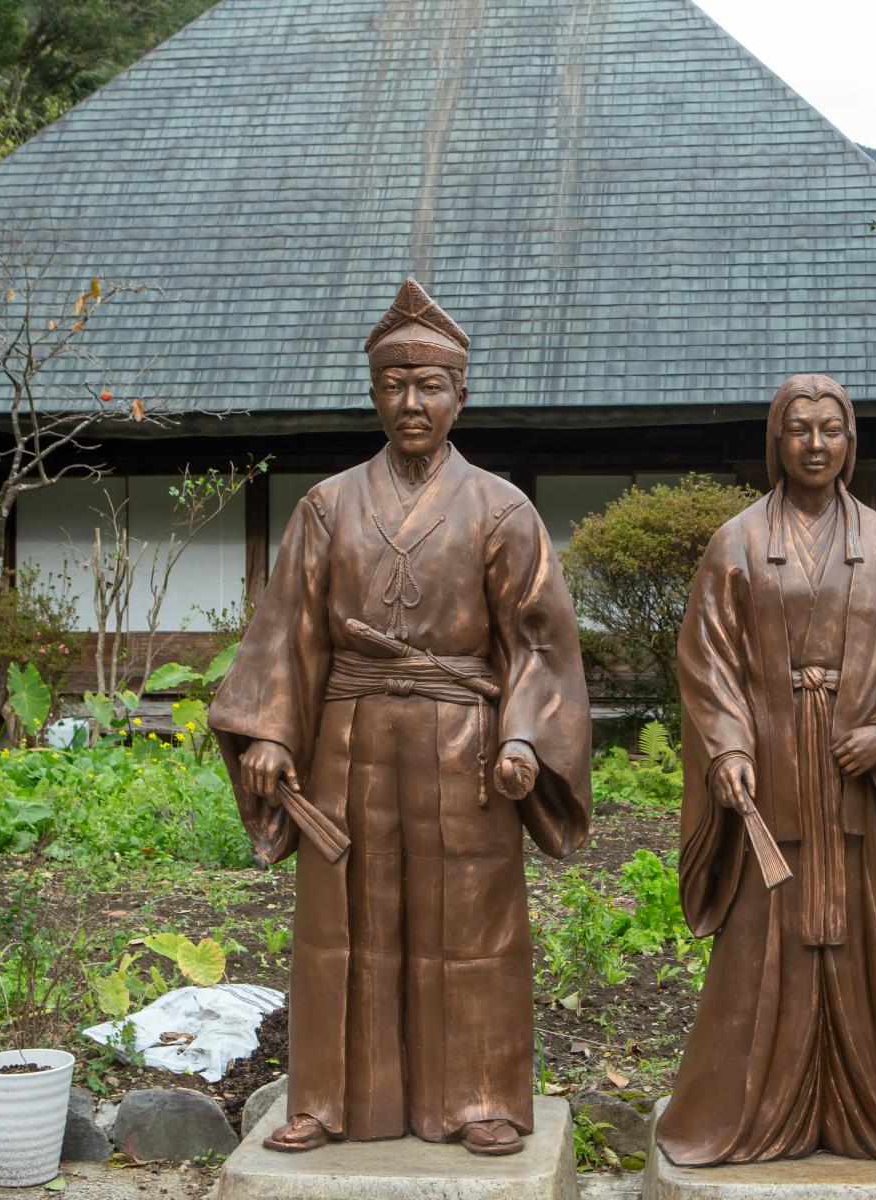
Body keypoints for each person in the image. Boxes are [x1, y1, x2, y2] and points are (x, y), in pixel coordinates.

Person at [209, 279, 591, 1157]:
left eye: (429, 385)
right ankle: (331, 1098)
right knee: (342, 919)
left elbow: (539, 642)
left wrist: (526, 735)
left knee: (474, 918)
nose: (411, 402)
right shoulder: (327, 506)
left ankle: (483, 1095)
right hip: (350, 737)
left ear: (461, 394)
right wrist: (269, 729)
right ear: (374, 393)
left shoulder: (501, 509)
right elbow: (289, 633)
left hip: (466, 741)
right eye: (393, 385)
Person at [654, 373, 876, 1166]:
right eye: (798, 429)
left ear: (850, 441)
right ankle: (752, 1114)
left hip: (861, 780)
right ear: (776, 440)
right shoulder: (735, 542)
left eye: (831, 429)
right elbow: (707, 662)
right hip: (774, 770)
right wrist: (728, 747)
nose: (815, 444)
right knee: (762, 943)